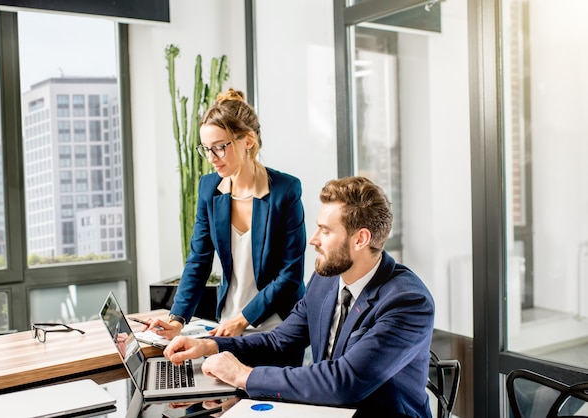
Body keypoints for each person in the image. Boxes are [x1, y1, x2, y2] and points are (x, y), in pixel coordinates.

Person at [162, 176, 435, 418]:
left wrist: (244, 375)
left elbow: (344, 382)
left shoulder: (407, 301)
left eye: (326, 231)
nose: (313, 239)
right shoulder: (325, 281)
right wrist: (211, 346)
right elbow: (280, 341)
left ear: (360, 239)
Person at [146, 88, 306, 345]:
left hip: (278, 326)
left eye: (219, 148)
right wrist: (177, 319)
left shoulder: (285, 190)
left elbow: (290, 275)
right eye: (206, 149)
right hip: (228, 323)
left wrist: (244, 318)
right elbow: (198, 260)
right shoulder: (210, 189)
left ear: (248, 140)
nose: (211, 158)